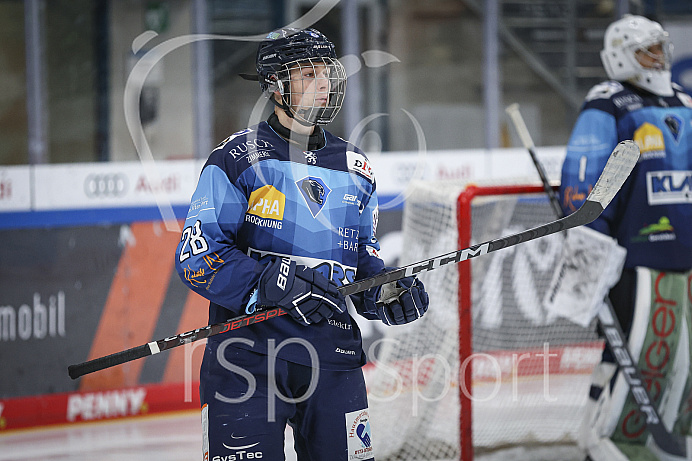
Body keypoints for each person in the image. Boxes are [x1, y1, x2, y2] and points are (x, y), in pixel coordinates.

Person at [174, 27, 429, 461]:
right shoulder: (238, 159)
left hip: (334, 354)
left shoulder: (357, 168)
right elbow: (197, 255)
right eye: (308, 74)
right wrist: (268, 285)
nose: (325, 83)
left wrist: (386, 291)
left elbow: (362, 258)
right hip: (247, 359)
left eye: (327, 72)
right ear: (276, 85)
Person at [559, 15, 692, 461]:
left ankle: (671, 437)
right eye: (647, 50)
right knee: (639, 354)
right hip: (634, 258)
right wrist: (589, 239)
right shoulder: (609, 103)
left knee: (681, 358)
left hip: (684, 254)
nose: (659, 58)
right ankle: (609, 442)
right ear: (620, 55)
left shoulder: (686, 102)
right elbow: (583, 177)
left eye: (660, 48)